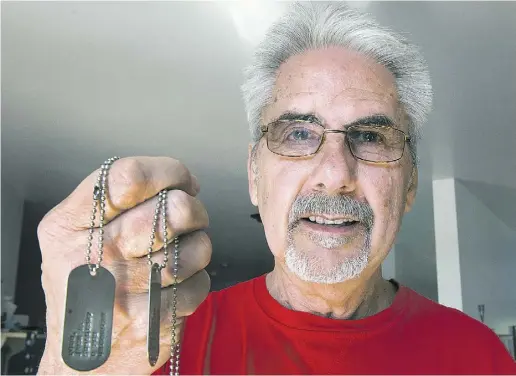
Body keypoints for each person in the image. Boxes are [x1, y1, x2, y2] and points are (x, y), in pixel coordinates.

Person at [37, 2, 515, 375]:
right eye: (298, 134)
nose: (335, 172)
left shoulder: (481, 357)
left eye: (370, 136)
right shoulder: (154, 339)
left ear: (409, 183)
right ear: (253, 175)